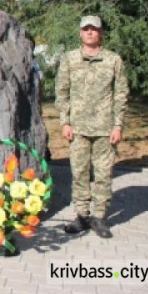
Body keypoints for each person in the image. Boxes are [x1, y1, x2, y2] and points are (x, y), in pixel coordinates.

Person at [55, 15, 129, 239]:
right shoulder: (69, 59)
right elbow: (61, 92)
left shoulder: (113, 60)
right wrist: (64, 122)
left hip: (105, 129)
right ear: (80, 33)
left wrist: (118, 125)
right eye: (85, 29)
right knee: (79, 173)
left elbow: (121, 94)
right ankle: (81, 216)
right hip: (77, 129)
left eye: (94, 29)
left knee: (104, 175)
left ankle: (98, 217)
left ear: (101, 33)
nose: (89, 32)